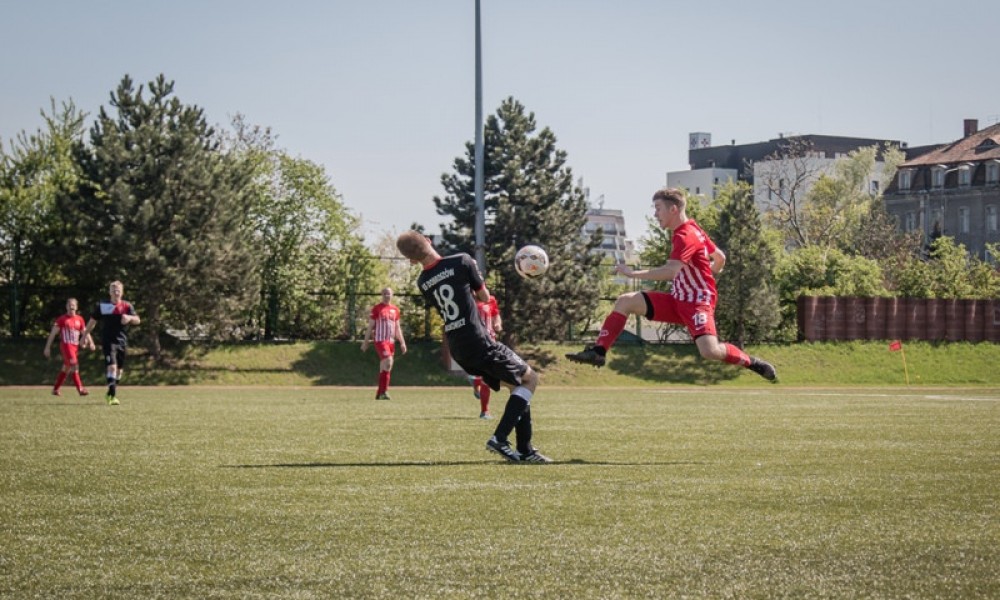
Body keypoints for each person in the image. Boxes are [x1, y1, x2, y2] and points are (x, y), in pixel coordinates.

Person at [566, 187, 777, 381]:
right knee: (625, 301)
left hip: (696, 303)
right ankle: (598, 352)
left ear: (673, 209)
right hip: (677, 300)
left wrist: (633, 273)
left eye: (658, 208)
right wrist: (706, 274)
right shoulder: (693, 229)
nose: (655, 214)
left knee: (710, 351)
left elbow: (670, 271)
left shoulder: (685, 235)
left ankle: (752, 362)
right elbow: (720, 258)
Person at [396, 230, 551, 463]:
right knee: (530, 379)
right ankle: (499, 438)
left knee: (517, 386)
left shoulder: (423, 282)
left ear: (411, 260)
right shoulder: (461, 260)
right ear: (428, 241)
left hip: (458, 347)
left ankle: (525, 450)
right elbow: (484, 297)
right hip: (478, 339)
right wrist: (475, 274)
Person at [83, 281, 141, 406]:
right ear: (109, 292)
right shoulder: (102, 306)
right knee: (112, 367)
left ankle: (110, 392)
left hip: (122, 342)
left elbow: (138, 320)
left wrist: (129, 318)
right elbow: (92, 322)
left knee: (119, 371)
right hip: (108, 341)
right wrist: (84, 336)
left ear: (122, 292)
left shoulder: (127, 306)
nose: (116, 291)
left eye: (118, 289)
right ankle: (112, 394)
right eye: (113, 289)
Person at [361, 287, 407, 400]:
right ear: (382, 295)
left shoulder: (395, 309)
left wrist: (402, 343)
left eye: (389, 293)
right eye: (385, 293)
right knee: (388, 362)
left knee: (385, 367)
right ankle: (384, 392)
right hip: (380, 340)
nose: (387, 295)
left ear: (392, 295)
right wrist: (365, 342)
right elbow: (370, 326)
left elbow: (397, 328)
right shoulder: (377, 308)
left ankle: (379, 393)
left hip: (391, 341)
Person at [43, 297, 94, 396]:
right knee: (74, 365)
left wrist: (91, 342)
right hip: (66, 346)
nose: (71, 307)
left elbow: (85, 332)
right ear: (66, 307)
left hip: (75, 347)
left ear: (76, 307)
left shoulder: (80, 319)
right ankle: (80, 389)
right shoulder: (62, 319)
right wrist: (47, 347)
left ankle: (55, 389)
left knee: (66, 368)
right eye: (69, 305)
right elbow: (53, 333)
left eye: (73, 305)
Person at [468, 295, 502, 419]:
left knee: (488, 375)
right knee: (484, 373)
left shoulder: (490, 299)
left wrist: (497, 323)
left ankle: (485, 411)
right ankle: (476, 380)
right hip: (474, 340)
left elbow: (496, 314)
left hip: (490, 340)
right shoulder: (466, 298)